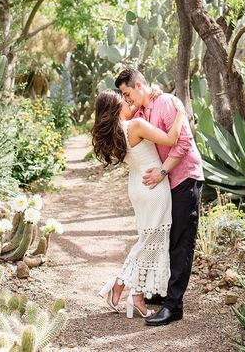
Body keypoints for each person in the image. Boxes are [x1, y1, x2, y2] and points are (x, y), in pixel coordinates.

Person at [115, 68, 204, 326]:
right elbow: (127, 119)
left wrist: (164, 171)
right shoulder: (142, 112)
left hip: (185, 177)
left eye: (127, 92)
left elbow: (183, 143)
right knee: (166, 237)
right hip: (167, 182)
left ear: (139, 85)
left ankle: (174, 306)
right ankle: (162, 293)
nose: (126, 98)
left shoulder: (166, 103)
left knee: (181, 242)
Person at [92, 88, 187, 319]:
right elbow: (172, 139)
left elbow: (131, 111)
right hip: (154, 187)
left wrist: (147, 96)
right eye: (124, 101)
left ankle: (135, 295)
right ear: (117, 109)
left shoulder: (115, 133)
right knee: (148, 244)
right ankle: (120, 284)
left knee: (146, 241)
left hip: (137, 187)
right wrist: (181, 112)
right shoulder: (135, 126)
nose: (129, 102)